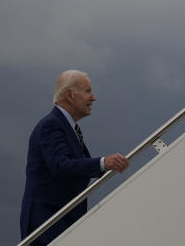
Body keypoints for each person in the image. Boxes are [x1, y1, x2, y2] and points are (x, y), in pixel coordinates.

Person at [19, 70, 129, 245]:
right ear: (70, 95)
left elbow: (79, 167)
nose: (93, 98)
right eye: (87, 91)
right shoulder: (52, 125)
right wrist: (103, 163)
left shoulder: (68, 127)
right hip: (49, 221)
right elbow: (61, 165)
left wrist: (107, 166)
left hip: (63, 219)